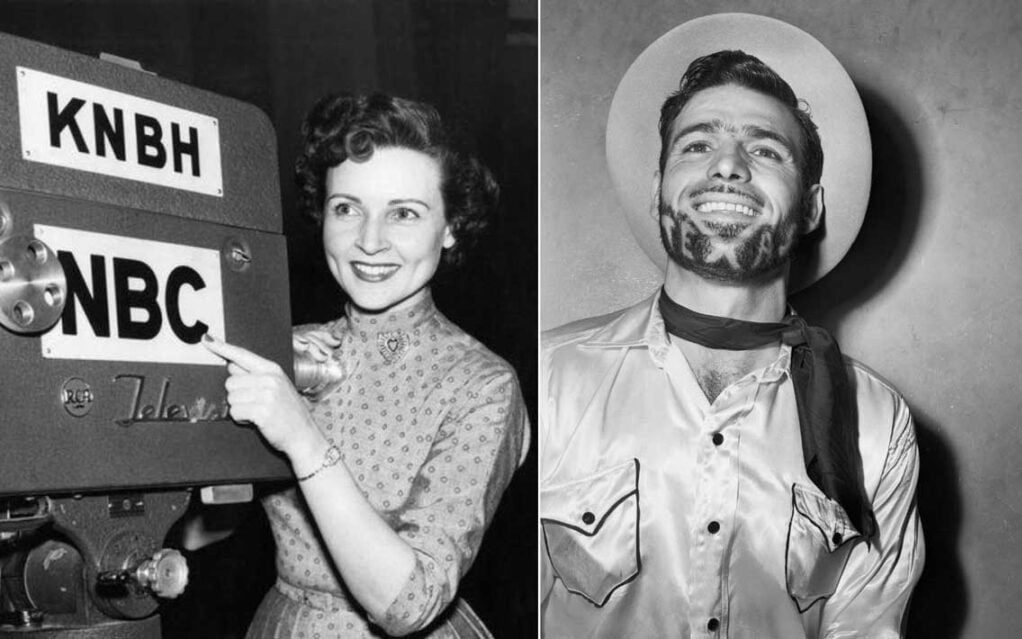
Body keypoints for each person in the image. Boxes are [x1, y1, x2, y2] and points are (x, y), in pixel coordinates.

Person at [539, 15, 924, 639]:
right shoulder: (549, 381)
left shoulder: (878, 424)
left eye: (765, 150)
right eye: (697, 145)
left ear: (811, 207)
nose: (728, 167)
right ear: (660, 187)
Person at [201, 91, 529, 638]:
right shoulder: (289, 355)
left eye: (403, 213)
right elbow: (212, 524)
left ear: (450, 228)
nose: (369, 241)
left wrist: (300, 435)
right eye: (347, 208)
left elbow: (409, 604)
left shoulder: (483, 385)